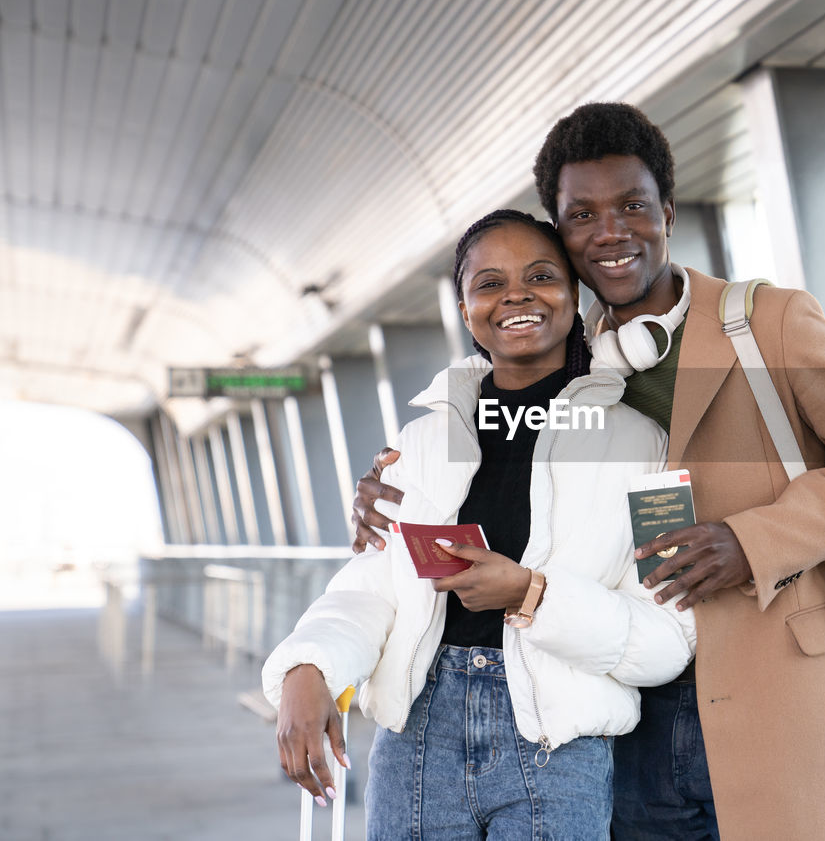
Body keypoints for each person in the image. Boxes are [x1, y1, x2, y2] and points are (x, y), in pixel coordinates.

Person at [351, 104, 825, 840]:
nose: (611, 232)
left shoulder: (768, 323)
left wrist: (750, 539)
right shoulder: (572, 364)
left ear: (668, 210)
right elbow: (478, 446)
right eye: (582, 214)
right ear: (560, 234)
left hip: (770, 684)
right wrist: (388, 490)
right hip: (624, 712)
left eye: (632, 205)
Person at [264, 209, 696, 840]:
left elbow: (670, 638)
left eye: (540, 275)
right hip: (414, 739)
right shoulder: (418, 443)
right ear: (466, 311)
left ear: (573, 294)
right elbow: (371, 586)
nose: (516, 295)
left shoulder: (650, 447)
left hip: (558, 750)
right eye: (489, 283)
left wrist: (532, 597)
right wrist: (309, 669)